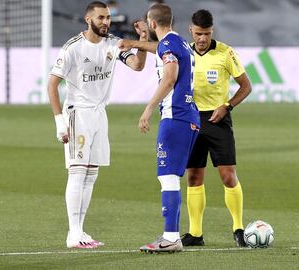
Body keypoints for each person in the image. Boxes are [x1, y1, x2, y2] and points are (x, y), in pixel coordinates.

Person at [47, 1, 147, 249]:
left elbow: (137, 65)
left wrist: (142, 41)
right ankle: (73, 233)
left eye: (108, 18)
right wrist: (60, 122)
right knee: (77, 171)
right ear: (88, 19)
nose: (106, 22)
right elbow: (52, 85)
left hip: (100, 115)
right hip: (77, 113)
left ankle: (80, 231)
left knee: (91, 174)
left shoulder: (113, 43)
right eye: (101, 17)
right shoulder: (73, 47)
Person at [119, 3, 200, 253]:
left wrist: (149, 108)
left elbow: (170, 77)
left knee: (167, 177)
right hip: (188, 117)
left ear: (153, 24)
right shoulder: (180, 42)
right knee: (171, 176)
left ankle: (171, 237)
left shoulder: (169, 45)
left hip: (175, 117)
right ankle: (171, 235)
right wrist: (138, 42)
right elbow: (161, 49)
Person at [180, 9, 252, 247]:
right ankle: (195, 234)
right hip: (191, 120)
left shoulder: (225, 53)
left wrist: (227, 106)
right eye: (199, 33)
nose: (203, 38)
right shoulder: (183, 53)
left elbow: (245, 86)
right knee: (193, 177)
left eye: (207, 33)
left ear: (212, 31)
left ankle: (239, 229)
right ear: (191, 30)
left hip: (218, 120)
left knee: (228, 176)